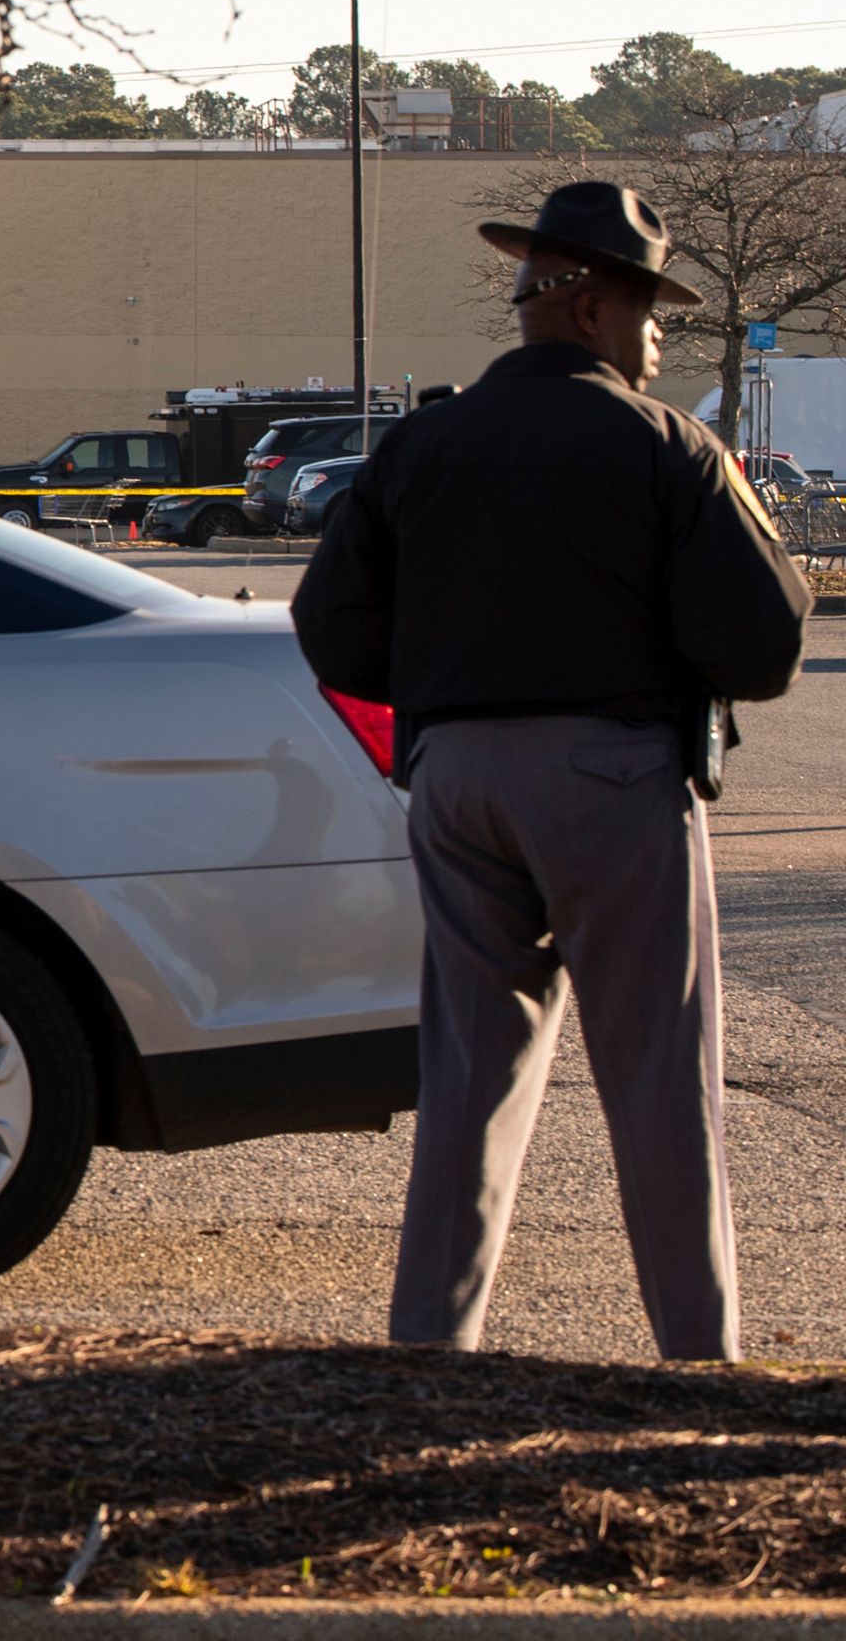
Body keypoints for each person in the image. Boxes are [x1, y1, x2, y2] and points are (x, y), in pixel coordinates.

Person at [293, 179, 812, 1361]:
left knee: (470, 1079)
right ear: (592, 307)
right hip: (613, 776)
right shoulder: (666, 445)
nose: (660, 338)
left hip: (457, 778)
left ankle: (430, 1350)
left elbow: (330, 627)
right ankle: (698, 1358)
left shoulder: (422, 442)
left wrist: (446, 682)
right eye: (653, 312)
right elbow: (764, 643)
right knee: (660, 1081)